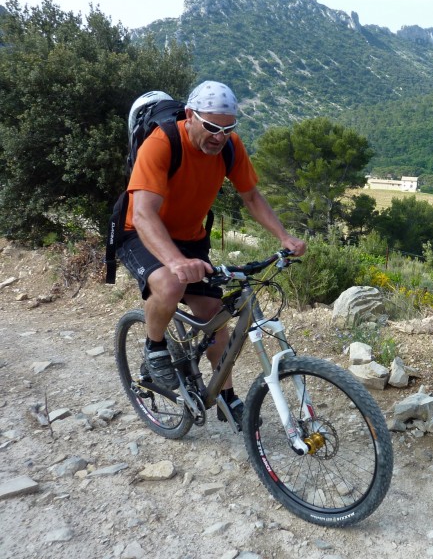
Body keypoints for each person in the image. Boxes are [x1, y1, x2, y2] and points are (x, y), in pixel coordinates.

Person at [117, 80, 306, 429]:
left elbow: (251, 197)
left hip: (191, 239)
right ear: (190, 116)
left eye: (228, 128)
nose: (220, 136)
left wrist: (284, 236)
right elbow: (143, 213)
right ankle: (154, 346)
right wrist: (174, 262)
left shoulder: (230, 147)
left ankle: (225, 394)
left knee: (216, 318)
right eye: (212, 127)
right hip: (141, 232)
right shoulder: (161, 144)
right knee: (171, 286)